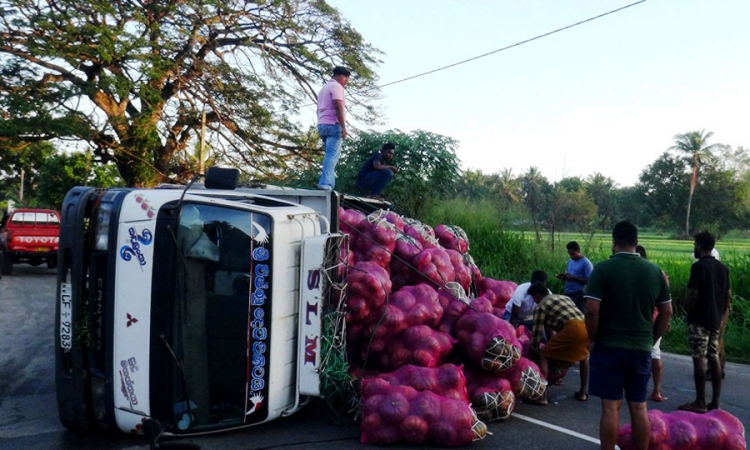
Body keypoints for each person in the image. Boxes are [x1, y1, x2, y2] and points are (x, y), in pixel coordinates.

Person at [584, 221, 672, 450]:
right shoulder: (654, 272)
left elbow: (592, 310)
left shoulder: (603, 269)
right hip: (641, 348)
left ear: (615, 242)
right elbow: (667, 312)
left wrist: (591, 338)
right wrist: (651, 339)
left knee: (611, 407)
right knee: (639, 407)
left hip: (608, 346)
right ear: (636, 242)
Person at [678, 231, 731, 413]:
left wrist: (687, 310)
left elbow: (692, 295)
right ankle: (715, 402)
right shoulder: (723, 269)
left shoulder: (698, 267)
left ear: (700, 245)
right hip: (715, 319)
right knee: (713, 356)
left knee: (698, 357)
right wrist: (721, 314)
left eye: (695, 244)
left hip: (699, 319)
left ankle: (700, 401)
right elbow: (728, 296)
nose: (694, 247)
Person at [526, 282, 590, 405]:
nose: (534, 301)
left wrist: (532, 353)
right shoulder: (563, 297)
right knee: (583, 357)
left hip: (572, 328)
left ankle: (542, 396)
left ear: (537, 295)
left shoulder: (541, 307)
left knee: (543, 355)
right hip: (585, 326)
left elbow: (536, 334)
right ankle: (583, 393)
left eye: (533, 298)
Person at [635, 245, 670, 403]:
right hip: (655, 318)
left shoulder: (637, 274)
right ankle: (656, 389)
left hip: (645, 320)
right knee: (654, 353)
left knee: (650, 354)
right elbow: (667, 302)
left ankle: (651, 389)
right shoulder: (658, 273)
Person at [316, 66, 351, 191]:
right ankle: (326, 183)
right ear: (337, 75)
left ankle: (329, 182)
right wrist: (343, 127)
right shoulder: (337, 87)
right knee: (332, 155)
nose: (346, 80)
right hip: (333, 124)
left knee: (329, 155)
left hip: (322, 124)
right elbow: (338, 106)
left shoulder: (323, 89)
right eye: (345, 76)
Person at [557, 241, 593, 312]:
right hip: (568, 293)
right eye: (570, 254)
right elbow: (569, 275)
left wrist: (573, 278)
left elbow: (589, 280)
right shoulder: (570, 261)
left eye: (573, 254)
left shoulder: (586, 263)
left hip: (578, 294)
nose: (571, 256)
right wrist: (564, 277)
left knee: (580, 313)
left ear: (578, 251)